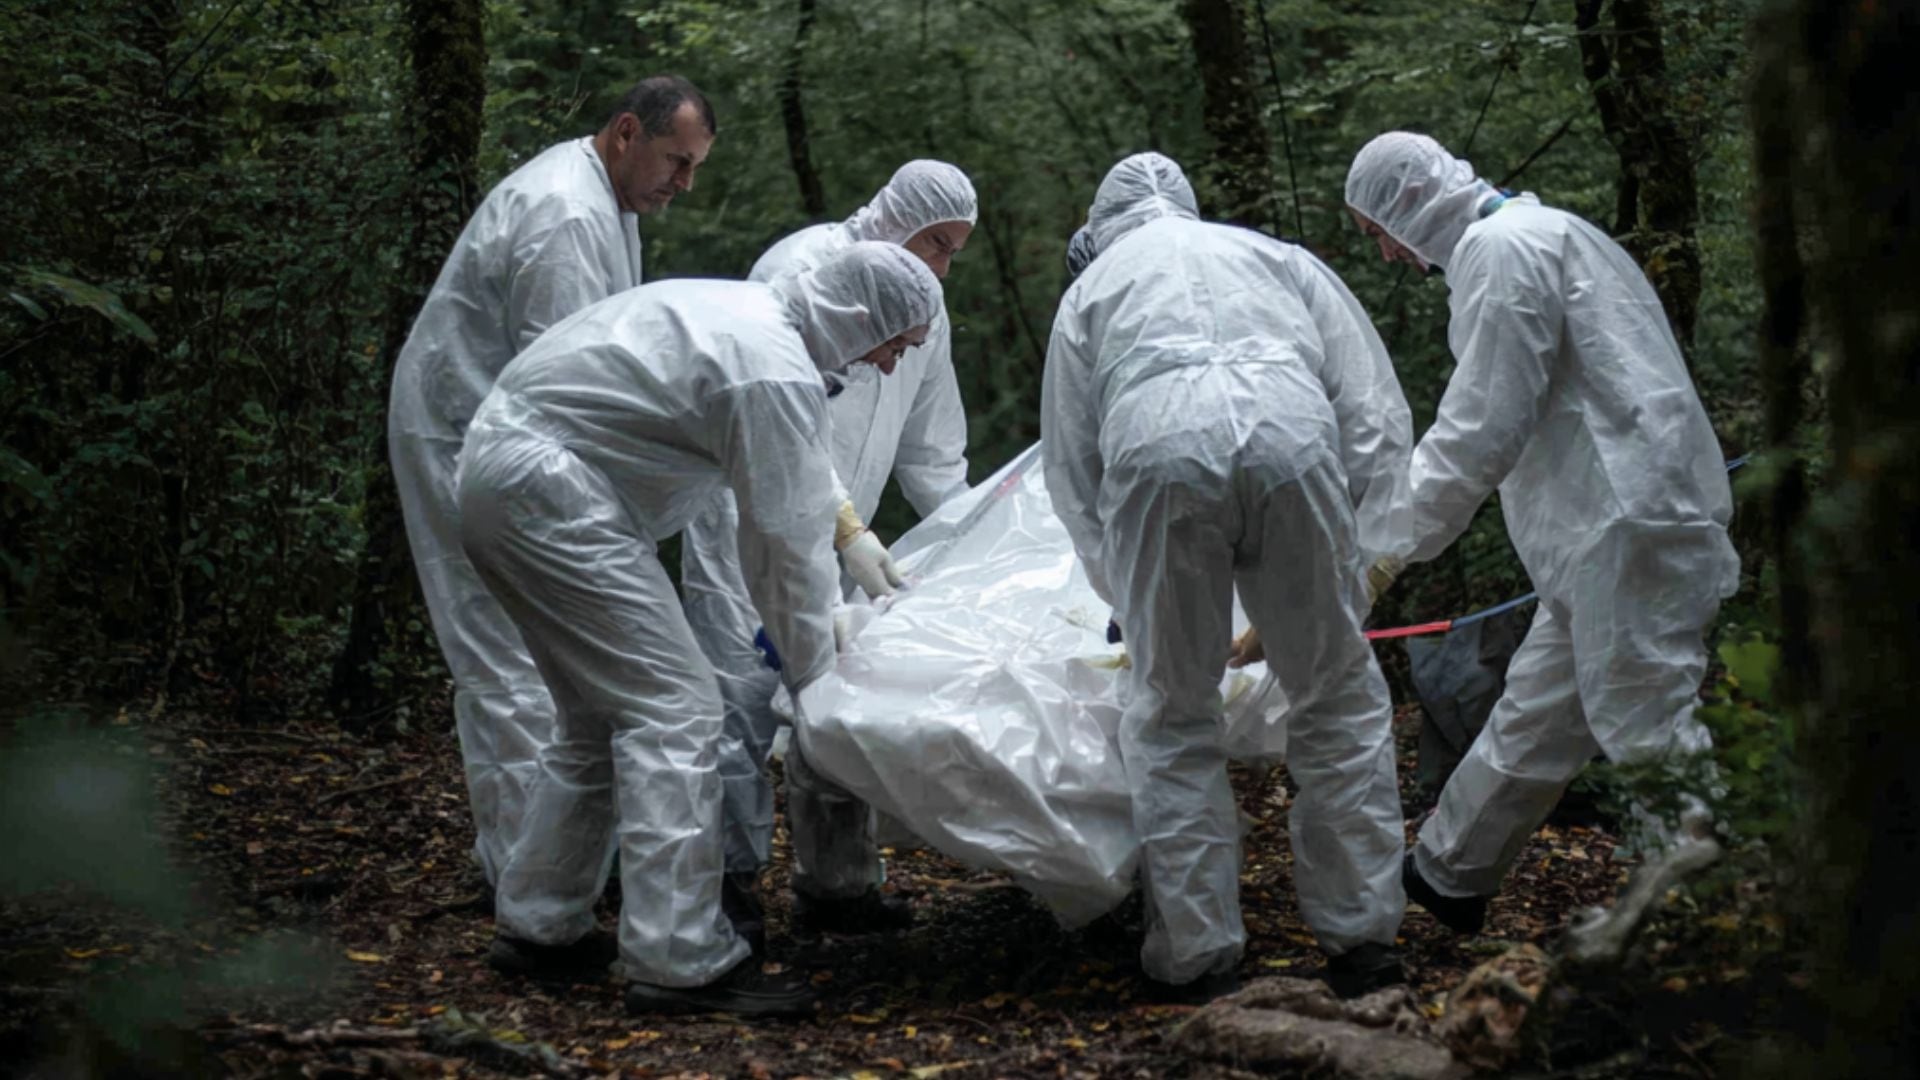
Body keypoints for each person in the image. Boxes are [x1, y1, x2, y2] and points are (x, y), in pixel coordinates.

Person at [458, 242, 942, 1017]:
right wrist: (815, 682)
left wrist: (849, 531)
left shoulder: (756, 323)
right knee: (677, 709)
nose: (889, 365)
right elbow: (783, 550)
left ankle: (540, 923)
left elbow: (796, 471)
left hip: (501, 477)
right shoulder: (774, 364)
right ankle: (679, 957)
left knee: (593, 717)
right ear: (863, 317)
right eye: (896, 343)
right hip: (552, 493)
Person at [1344, 131, 1738, 934]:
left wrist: (1384, 548)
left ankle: (1702, 919)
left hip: (1622, 522)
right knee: (1539, 710)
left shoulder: (1499, 251)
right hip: (1611, 526)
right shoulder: (1556, 231)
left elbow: (1480, 425)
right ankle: (1451, 871)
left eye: (1378, 232)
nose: (1386, 255)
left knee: (1648, 722)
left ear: (1409, 206)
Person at [1043, 152, 1414, 1001]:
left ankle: (1200, 955)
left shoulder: (1092, 292)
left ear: (1101, 229)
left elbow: (1072, 468)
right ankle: (1362, 943)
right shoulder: (1279, 257)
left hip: (1154, 453)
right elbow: (1374, 414)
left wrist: (1126, 597)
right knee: (1335, 695)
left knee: (1174, 711)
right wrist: (1367, 560)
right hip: (1296, 437)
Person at [388, 76, 716, 890]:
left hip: (515, 436)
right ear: (626, 132)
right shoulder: (565, 214)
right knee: (502, 653)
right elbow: (569, 379)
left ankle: (548, 864)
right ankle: (519, 873)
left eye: (695, 165)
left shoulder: (608, 200)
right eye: (676, 160)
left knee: (546, 657)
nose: (684, 182)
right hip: (466, 432)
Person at [679, 161, 977, 944]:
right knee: (739, 694)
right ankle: (727, 886)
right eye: (936, 243)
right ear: (897, 217)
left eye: (953, 252)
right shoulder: (802, 272)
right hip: (742, 515)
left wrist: (969, 533)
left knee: (835, 692)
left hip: (847, 531)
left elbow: (932, 441)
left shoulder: (921, 302)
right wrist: (841, 529)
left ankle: (839, 887)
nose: (940, 265)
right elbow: (777, 415)